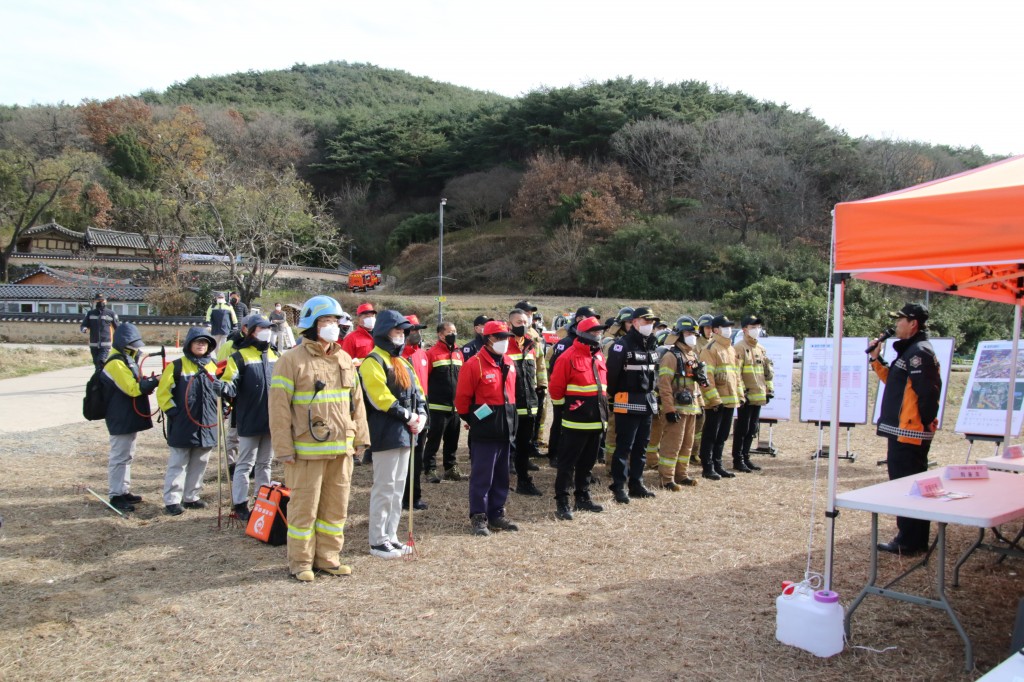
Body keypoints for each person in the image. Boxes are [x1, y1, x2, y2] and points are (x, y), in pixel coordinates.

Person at [269, 295, 369, 581]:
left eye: (336, 321)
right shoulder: (290, 361)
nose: (333, 326)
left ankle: (328, 558)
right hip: (305, 451)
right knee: (304, 509)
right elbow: (278, 408)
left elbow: (357, 402)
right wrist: (283, 448)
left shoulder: (345, 358)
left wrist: (360, 437)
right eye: (327, 321)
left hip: (341, 450)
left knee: (336, 508)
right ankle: (300, 562)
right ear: (312, 325)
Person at [869, 302, 942, 555]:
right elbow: (895, 382)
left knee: (906, 485)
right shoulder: (910, 350)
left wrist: (924, 421)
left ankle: (910, 540)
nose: (895, 324)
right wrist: (876, 359)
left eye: (900, 320)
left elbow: (929, 392)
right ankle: (910, 536)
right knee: (903, 483)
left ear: (913, 323)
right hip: (901, 430)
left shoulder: (920, 352)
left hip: (909, 432)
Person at [359, 310, 427, 559]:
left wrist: (421, 415)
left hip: (407, 433)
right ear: (384, 332)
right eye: (397, 330)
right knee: (384, 487)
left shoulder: (403, 362)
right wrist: (408, 416)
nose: (402, 335)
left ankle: (392, 535)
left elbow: (418, 392)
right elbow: (380, 399)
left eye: (403, 331)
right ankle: (377, 540)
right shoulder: (372, 362)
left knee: (399, 488)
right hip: (386, 432)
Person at [455, 320, 520, 536]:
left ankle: (496, 513)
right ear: (488, 339)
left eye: (506, 337)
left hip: (506, 429)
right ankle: (479, 516)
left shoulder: (509, 362)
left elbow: (512, 396)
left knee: (502, 476)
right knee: (482, 476)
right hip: (485, 431)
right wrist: (475, 421)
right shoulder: (474, 364)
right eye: (499, 337)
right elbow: (462, 400)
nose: (504, 341)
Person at [547, 316, 609, 520]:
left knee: (587, 463)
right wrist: (570, 408)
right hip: (575, 421)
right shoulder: (568, 357)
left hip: (597, 420)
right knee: (567, 464)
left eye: (599, 332)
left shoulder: (599, 356)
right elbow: (556, 389)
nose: (598, 335)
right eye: (594, 332)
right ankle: (562, 502)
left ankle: (583, 497)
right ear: (582, 334)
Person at [157, 327, 223, 516]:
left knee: (201, 461)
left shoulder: (214, 365)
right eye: (197, 341)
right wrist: (174, 412)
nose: (201, 345)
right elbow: (163, 393)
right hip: (183, 423)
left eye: (205, 342)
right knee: (178, 462)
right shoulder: (176, 366)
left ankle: (192, 496)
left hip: (208, 423)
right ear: (189, 344)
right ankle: (172, 500)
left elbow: (222, 393)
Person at [220, 314, 279, 522]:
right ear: (252, 331)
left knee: (265, 463)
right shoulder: (239, 356)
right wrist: (225, 387)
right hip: (248, 417)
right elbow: (230, 381)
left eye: (269, 328)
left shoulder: (275, 354)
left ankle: (263, 500)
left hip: (272, 419)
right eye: (262, 328)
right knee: (245, 463)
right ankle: (240, 503)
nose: (267, 331)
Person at [100, 323, 160, 511]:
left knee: (127, 454)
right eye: (132, 344)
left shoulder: (127, 360)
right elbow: (133, 389)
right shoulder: (116, 363)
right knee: (119, 455)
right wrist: (154, 381)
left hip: (128, 414)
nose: (136, 348)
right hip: (119, 415)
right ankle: (116, 494)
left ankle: (123, 490)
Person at [604, 306, 660, 504]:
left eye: (652, 322)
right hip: (626, 399)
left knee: (642, 446)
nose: (649, 325)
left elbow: (654, 372)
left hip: (646, 400)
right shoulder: (621, 345)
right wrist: (613, 395)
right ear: (635, 322)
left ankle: (637, 483)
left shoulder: (651, 344)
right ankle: (619, 486)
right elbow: (612, 375)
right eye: (646, 321)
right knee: (624, 446)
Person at [546, 305, 601, 467]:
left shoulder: (593, 345)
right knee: (558, 424)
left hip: (585, 400)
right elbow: (554, 370)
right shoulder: (567, 342)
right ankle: (554, 454)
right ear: (579, 320)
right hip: (565, 396)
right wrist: (560, 399)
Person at [656, 318, 706, 490]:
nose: (692, 337)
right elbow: (664, 385)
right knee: (672, 445)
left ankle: (682, 475)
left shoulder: (692, 355)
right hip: (676, 409)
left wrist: (700, 405)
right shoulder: (671, 356)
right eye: (688, 333)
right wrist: (669, 409)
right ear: (678, 335)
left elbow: (696, 384)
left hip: (691, 409)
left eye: (694, 334)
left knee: (687, 445)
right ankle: (667, 478)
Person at [507, 307, 547, 496]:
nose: (522, 326)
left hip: (529, 404)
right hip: (509, 406)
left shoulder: (532, 345)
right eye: (518, 323)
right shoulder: (503, 346)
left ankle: (524, 481)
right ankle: (502, 480)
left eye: (525, 322)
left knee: (524, 446)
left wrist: (541, 388)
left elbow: (537, 371)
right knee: (505, 445)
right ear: (509, 325)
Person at [698, 315, 743, 481]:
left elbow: (735, 375)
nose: (728, 329)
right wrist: (714, 400)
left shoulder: (730, 349)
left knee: (723, 434)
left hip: (730, 400)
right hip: (716, 402)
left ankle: (718, 464)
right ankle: (707, 467)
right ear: (715, 329)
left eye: (730, 326)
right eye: (725, 326)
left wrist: (740, 395)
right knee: (711, 434)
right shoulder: (710, 349)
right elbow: (706, 378)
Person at [732, 314, 774, 473]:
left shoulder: (761, 349)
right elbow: (736, 373)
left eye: (758, 327)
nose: (756, 330)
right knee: (742, 429)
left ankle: (746, 456)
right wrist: (742, 392)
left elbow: (767, 373)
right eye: (753, 327)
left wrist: (769, 390)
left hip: (759, 395)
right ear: (744, 329)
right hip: (746, 396)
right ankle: (738, 459)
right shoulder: (739, 348)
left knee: (752, 429)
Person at [423, 321, 464, 483]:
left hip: (455, 408)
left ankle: (450, 468)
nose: (453, 334)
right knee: (433, 441)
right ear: (440, 335)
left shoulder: (459, 354)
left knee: (452, 440)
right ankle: (430, 469)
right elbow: (425, 379)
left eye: (455, 331)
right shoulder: (431, 353)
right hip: (436, 407)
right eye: (450, 332)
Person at [400, 314, 431, 511]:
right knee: (405, 457)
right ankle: (404, 496)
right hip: (405, 409)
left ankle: (414, 495)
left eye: (418, 330)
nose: (417, 334)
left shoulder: (421, 354)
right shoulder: (399, 356)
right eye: (413, 330)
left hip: (422, 405)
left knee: (417, 456)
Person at [81, 294, 120, 371]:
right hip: (93, 344)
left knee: (101, 361)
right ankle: (99, 380)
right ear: (95, 301)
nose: (100, 302)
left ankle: (100, 380)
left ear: (106, 301)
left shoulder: (111, 313)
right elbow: (84, 325)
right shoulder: (90, 313)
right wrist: (84, 329)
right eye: (98, 300)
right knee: (96, 363)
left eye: (102, 300)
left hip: (106, 343)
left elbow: (118, 328)